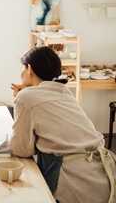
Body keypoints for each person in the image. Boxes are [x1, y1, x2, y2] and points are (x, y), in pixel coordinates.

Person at [10, 46, 116, 203]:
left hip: (75, 182)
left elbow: (21, 149)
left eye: (21, 67)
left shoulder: (26, 97)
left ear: (29, 68)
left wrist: (20, 98)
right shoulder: (63, 91)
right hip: (105, 176)